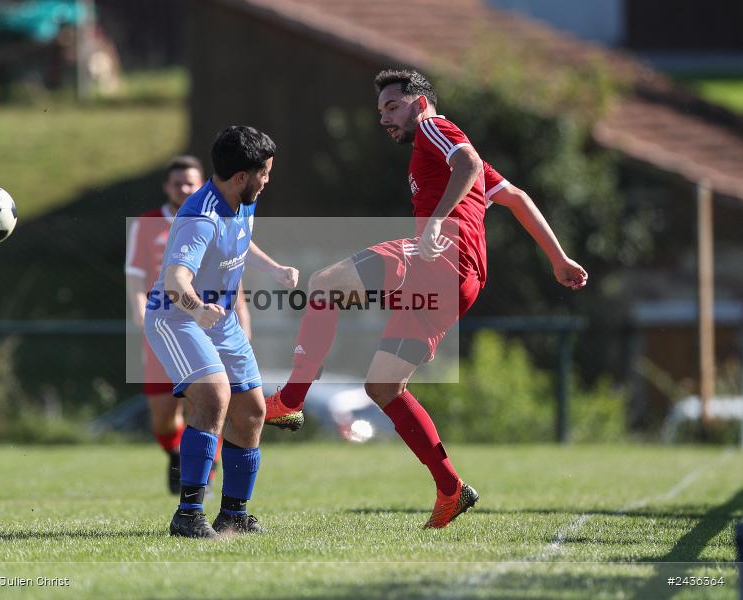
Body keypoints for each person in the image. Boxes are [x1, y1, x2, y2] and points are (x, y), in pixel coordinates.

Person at [264, 69, 588, 528]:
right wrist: (558, 258)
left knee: (324, 284)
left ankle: (292, 398)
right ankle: (451, 489)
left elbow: (469, 166)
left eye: (391, 107)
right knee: (382, 387)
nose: (384, 119)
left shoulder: (435, 128)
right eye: (380, 111)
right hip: (462, 281)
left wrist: (436, 221)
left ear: (419, 104)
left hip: (443, 259)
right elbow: (514, 196)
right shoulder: (438, 149)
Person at [144, 126, 299, 538]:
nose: (268, 180)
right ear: (242, 176)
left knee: (252, 412)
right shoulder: (200, 217)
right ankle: (189, 515)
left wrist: (275, 269)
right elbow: (176, 281)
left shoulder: (241, 201)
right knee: (214, 397)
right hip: (178, 317)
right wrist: (198, 310)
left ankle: (233, 514)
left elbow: (242, 243)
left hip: (221, 319)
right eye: (264, 173)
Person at [126, 156, 251, 494]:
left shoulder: (214, 216)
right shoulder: (148, 223)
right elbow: (136, 277)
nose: (184, 188)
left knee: (213, 401)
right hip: (166, 324)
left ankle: (203, 476)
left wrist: (243, 326)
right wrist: (140, 315)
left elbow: (233, 280)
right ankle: (176, 452)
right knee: (164, 416)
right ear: (167, 187)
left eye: (190, 183)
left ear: (201, 185)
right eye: (177, 183)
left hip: (209, 325)